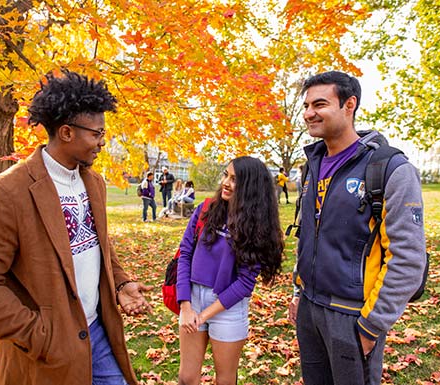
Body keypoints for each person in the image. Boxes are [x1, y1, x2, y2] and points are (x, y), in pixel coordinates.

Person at [0, 70, 153, 385]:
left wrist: (120, 284)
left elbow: (98, 242)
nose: (102, 142)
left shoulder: (93, 181)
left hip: (98, 331)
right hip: (47, 349)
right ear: (67, 132)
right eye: (97, 133)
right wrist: (41, 336)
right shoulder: (5, 192)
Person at [288, 71, 426, 385]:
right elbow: (308, 234)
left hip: (352, 316)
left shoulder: (390, 169)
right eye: (306, 105)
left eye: (319, 104)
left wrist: (371, 325)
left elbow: (408, 259)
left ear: (349, 105)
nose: (309, 112)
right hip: (310, 309)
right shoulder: (310, 167)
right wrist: (299, 292)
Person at [176, 156, 284, 385]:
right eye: (226, 175)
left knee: (224, 380)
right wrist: (185, 306)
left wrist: (205, 315)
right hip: (193, 299)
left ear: (250, 187)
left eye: (235, 179)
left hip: (227, 307)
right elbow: (184, 255)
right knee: (186, 378)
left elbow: (245, 283)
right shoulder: (205, 210)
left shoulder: (257, 226)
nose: (226, 182)